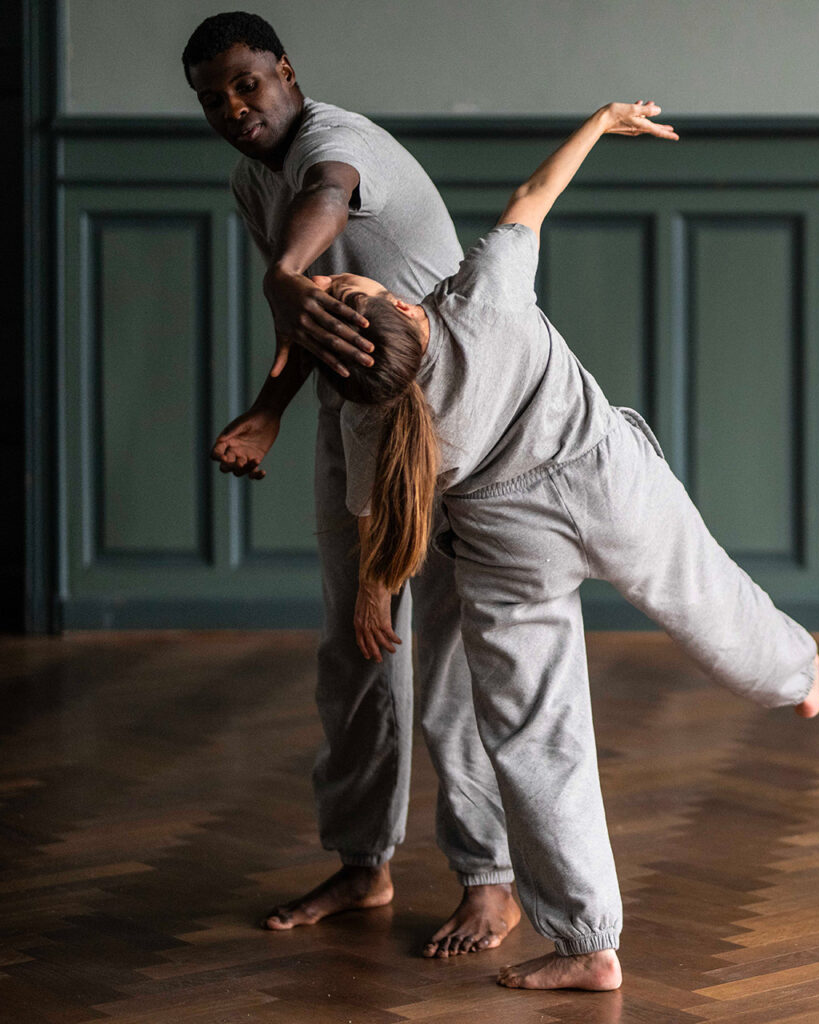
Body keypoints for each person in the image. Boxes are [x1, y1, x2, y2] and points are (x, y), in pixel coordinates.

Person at [316, 100, 819, 991]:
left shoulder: (369, 413)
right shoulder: (481, 300)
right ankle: (796, 676)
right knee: (708, 597)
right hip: (604, 481)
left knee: (535, 735)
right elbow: (532, 194)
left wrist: (369, 595)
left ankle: (591, 943)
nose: (331, 285)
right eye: (341, 290)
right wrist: (600, 122)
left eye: (333, 291)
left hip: (504, 539)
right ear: (398, 299)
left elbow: (376, 524)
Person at [183, 11, 518, 956]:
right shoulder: (253, 178)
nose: (234, 107)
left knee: (448, 653)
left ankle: (489, 879)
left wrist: (283, 272)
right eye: (213, 98)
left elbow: (327, 201)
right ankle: (364, 862)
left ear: (285, 71)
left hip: (448, 412)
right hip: (351, 406)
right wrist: (270, 408)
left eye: (247, 83)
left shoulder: (336, 143)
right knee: (360, 644)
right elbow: (316, 318)